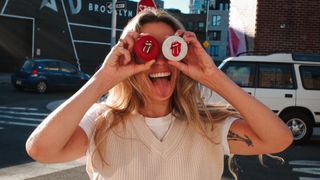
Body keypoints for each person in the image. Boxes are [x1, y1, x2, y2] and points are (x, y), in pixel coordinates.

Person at [25, 9, 293, 180]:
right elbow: (40, 149)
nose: (160, 61)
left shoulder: (209, 126)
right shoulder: (101, 123)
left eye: (170, 49)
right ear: (129, 58)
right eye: (147, 49)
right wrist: (102, 79)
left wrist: (213, 77)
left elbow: (279, 139)